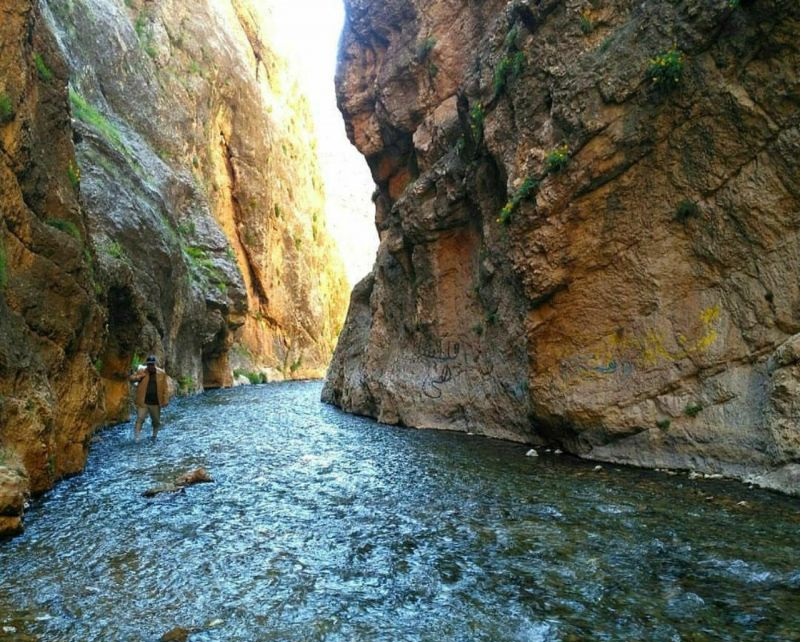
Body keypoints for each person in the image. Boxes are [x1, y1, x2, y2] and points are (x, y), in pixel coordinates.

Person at [129, 355, 169, 440]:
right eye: (149, 364)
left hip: (155, 402)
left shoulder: (161, 373)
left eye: (152, 364)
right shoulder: (142, 371)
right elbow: (131, 378)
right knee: (140, 419)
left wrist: (165, 400)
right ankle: (137, 438)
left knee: (156, 422)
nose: (150, 366)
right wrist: (138, 377)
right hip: (143, 401)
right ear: (147, 364)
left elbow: (165, 388)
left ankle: (154, 436)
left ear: (155, 364)